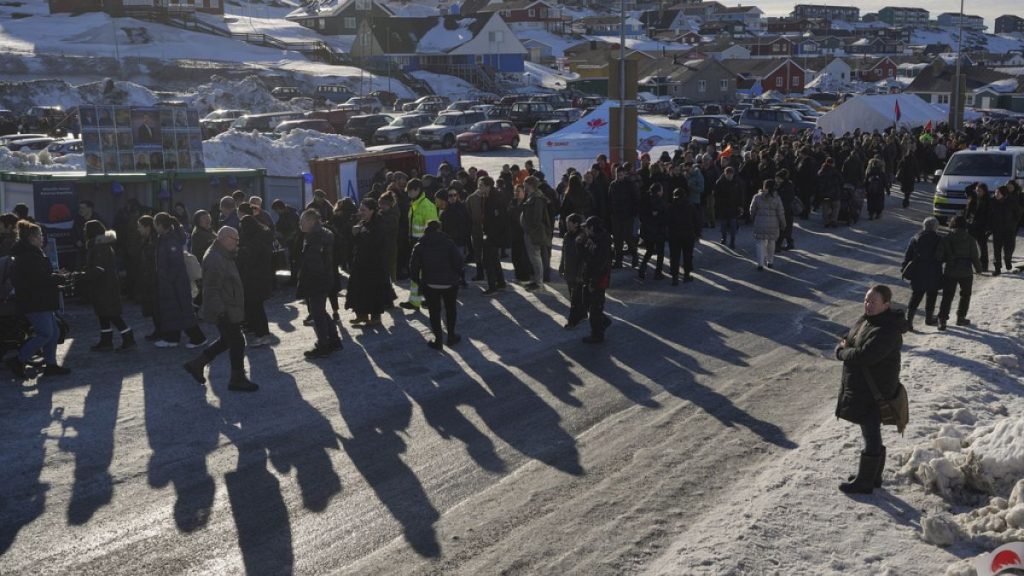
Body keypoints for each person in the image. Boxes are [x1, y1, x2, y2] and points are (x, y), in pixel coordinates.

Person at [834, 285, 906, 494]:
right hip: (865, 388)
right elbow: (850, 338)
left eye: (873, 302)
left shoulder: (888, 329)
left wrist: (841, 352)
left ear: (886, 304)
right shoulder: (868, 319)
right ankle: (872, 476)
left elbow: (865, 355)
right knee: (870, 430)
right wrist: (847, 344)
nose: (868, 305)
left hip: (875, 390)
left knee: (871, 430)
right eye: (866, 300)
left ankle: (866, 481)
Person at [182, 227, 258, 392]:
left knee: (227, 340)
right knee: (237, 341)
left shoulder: (223, 253)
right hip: (224, 308)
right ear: (224, 238)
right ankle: (237, 379)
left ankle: (196, 364)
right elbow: (211, 289)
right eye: (235, 239)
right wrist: (221, 312)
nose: (238, 243)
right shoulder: (215, 258)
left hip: (228, 306)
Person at [6, 221, 71, 378]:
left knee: (54, 333)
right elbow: (40, 279)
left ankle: (50, 365)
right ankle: (18, 360)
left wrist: (56, 276)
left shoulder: (33, 253)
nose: (43, 238)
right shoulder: (29, 256)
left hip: (41, 300)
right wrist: (59, 278)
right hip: (34, 301)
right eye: (41, 235)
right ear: (32, 238)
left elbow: (41, 276)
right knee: (46, 333)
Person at [153, 212, 207, 348]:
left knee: (183, 310)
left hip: (175, 282)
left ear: (160, 225)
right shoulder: (167, 237)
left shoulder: (170, 239)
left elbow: (175, 263)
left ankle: (198, 338)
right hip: (172, 281)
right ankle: (172, 338)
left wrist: (167, 279)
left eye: (155, 224)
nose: (154, 227)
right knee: (172, 310)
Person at [81, 220, 134, 351]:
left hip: (105, 287)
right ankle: (106, 340)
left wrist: (83, 276)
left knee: (111, 314)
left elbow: (99, 269)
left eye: (86, 229)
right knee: (103, 314)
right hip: (104, 286)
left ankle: (128, 337)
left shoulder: (99, 247)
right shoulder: (102, 245)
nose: (84, 231)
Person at [409, 220, 463, 350]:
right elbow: (459, 261)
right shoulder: (449, 243)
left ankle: (438, 340)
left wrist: (419, 282)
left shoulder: (420, 245)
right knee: (451, 310)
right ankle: (451, 336)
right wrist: (456, 276)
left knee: (434, 312)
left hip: (430, 284)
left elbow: (413, 267)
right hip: (449, 283)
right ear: (440, 229)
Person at [297, 209, 342, 358]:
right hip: (323, 279)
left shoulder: (315, 237)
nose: (300, 224)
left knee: (317, 313)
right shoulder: (320, 234)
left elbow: (314, 263)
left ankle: (324, 345)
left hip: (317, 280)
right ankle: (334, 341)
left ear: (311, 221)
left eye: (302, 221)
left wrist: (306, 279)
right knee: (320, 311)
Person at [346, 198, 394, 327]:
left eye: (363, 210)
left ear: (372, 211)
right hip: (361, 263)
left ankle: (375, 317)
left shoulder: (379, 224)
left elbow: (374, 243)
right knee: (359, 289)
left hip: (374, 265)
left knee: (374, 291)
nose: (361, 212)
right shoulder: (362, 223)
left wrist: (359, 235)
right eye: (360, 209)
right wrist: (355, 234)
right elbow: (357, 244)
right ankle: (362, 315)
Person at [936, 215, 982, 331]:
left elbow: (938, 256)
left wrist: (946, 260)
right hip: (966, 272)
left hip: (950, 271)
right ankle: (961, 318)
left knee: (947, 296)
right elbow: (975, 257)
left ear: (952, 224)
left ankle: (942, 320)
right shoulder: (970, 239)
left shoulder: (946, 239)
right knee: (965, 295)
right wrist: (979, 269)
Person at [238, 212, 275, 347]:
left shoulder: (254, 241)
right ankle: (254, 328)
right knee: (253, 305)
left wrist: (240, 252)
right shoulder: (262, 236)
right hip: (259, 278)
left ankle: (263, 334)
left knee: (256, 307)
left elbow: (251, 259)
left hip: (255, 279)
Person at [402, 178, 439, 310]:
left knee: (426, 274)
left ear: (417, 190)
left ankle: (428, 299)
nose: (408, 194)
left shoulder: (427, 206)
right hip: (415, 245)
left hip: (425, 246)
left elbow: (433, 230)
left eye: (409, 191)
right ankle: (415, 301)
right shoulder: (414, 205)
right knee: (416, 273)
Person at [901, 217, 943, 331]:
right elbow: (943, 256)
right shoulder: (939, 239)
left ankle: (909, 322)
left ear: (924, 226)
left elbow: (908, 255)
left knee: (915, 296)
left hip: (918, 271)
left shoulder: (916, 238)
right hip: (934, 271)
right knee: (932, 295)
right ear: (936, 227)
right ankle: (929, 319)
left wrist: (904, 268)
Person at [579, 216, 612, 344]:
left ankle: (597, 334)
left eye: (587, 227)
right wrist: (580, 244)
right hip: (590, 276)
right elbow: (586, 257)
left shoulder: (602, 242)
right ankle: (603, 321)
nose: (585, 230)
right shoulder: (591, 239)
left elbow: (600, 264)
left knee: (595, 307)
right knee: (587, 302)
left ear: (592, 228)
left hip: (599, 278)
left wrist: (594, 281)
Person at [520, 176, 552, 290]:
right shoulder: (532, 196)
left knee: (535, 257)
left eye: (525, 184)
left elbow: (537, 218)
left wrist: (530, 229)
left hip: (534, 233)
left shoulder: (537, 198)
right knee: (534, 257)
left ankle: (538, 282)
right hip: (530, 231)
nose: (524, 186)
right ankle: (536, 280)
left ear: (530, 184)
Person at [749, 179, 786, 271]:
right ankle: (770, 261)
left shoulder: (757, 197)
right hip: (773, 224)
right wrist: (783, 223)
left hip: (760, 222)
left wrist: (753, 218)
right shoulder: (777, 198)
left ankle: (760, 263)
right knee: (771, 242)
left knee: (760, 243)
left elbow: (752, 210)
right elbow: (780, 212)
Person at [480, 177, 508, 295]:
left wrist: (491, 234)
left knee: (488, 261)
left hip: (493, 234)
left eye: (481, 185)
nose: (479, 188)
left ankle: (492, 287)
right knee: (495, 259)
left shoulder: (495, 198)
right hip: (492, 233)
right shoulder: (487, 197)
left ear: (488, 186)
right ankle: (501, 282)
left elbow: (499, 219)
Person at [667, 187, 699, 286]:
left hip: (674, 235)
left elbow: (666, 221)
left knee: (674, 256)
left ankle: (675, 277)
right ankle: (686, 275)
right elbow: (697, 221)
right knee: (687, 255)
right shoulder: (690, 206)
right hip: (688, 234)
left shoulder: (671, 207)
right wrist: (697, 233)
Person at [608, 166, 638, 268]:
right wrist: (611, 212)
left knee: (628, 237)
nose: (619, 177)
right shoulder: (613, 185)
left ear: (624, 174)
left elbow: (635, 198)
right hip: (616, 215)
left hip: (627, 215)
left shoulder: (629, 184)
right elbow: (610, 199)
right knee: (617, 239)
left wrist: (633, 213)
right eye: (618, 175)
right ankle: (618, 261)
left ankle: (635, 256)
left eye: (621, 175)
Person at [560, 213, 587, 329]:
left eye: (569, 223)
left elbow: (583, 259)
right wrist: (561, 266)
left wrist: (580, 274)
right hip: (569, 271)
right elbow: (564, 253)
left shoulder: (582, 237)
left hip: (577, 273)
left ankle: (572, 321)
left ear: (576, 224)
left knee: (575, 299)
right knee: (573, 296)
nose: (567, 225)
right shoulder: (567, 236)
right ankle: (582, 314)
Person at [440, 187, 471, 286]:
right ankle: (454, 279)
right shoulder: (445, 210)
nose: (453, 197)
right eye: (450, 195)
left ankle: (462, 279)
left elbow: (468, 222)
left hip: (461, 239)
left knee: (460, 260)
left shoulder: (462, 207)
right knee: (451, 262)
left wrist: (467, 236)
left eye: (455, 195)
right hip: (449, 240)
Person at [989, 185, 1022, 276]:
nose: (996, 194)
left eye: (998, 193)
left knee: (1008, 248)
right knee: (997, 250)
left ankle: (1008, 260)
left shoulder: (1011, 202)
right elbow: (989, 215)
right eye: (995, 192)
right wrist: (990, 226)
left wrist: (1013, 224)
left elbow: (1018, 213)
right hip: (997, 230)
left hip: (1009, 230)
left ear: (1003, 193)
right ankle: (997, 268)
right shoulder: (992, 202)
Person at [638, 182, 669, 280]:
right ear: (659, 191)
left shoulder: (644, 199)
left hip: (646, 229)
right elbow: (664, 217)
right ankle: (658, 272)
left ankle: (642, 267)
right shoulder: (661, 202)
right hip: (658, 230)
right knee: (660, 252)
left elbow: (641, 214)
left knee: (649, 250)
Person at [714, 166, 743, 249]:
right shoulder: (719, 182)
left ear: (733, 174)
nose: (729, 176)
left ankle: (732, 241)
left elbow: (740, 194)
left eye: (731, 174)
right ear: (725, 174)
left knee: (733, 225)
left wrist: (740, 206)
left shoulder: (737, 182)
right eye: (728, 175)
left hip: (734, 207)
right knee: (723, 225)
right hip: (723, 207)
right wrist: (718, 206)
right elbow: (716, 195)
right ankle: (724, 237)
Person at [965, 183, 991, 272]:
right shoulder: (973, 197)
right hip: (971, 225)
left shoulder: (988, 201)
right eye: (977, 190)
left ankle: (984, 265)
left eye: (980, 191)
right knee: (969, 247)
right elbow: (967, 189)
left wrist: (988, 229)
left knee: (983, 247)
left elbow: (989, 216)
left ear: (984, 191)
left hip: (981, 227)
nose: (977, 192)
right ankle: (968, 266)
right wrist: (976, 184)